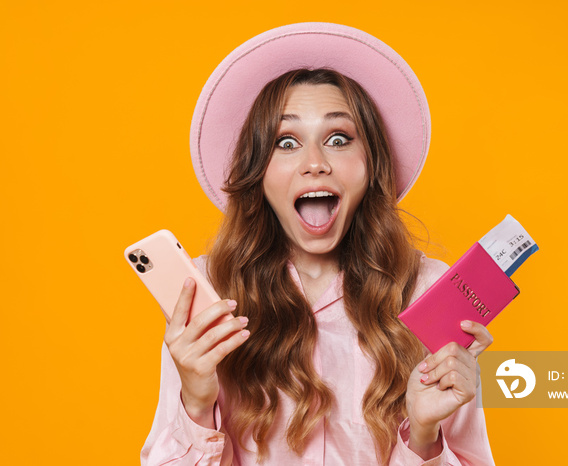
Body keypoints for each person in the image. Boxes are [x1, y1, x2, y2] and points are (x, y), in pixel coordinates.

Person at [141, 23, 495, 466]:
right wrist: (195, 402)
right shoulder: (207, 295)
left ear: (371, 164)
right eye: (285, 142)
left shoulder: (430, 292)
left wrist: (423, 437)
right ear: (258, 172)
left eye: (338, 139)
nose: (314, 163)